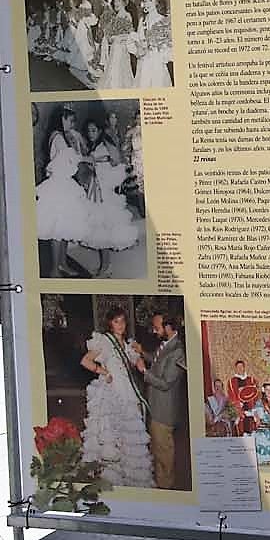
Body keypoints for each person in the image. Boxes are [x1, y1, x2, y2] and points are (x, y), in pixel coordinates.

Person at [78, 306, 154, 487]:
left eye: (122, 321)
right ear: (110, 324)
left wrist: (140, 359)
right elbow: (85, 361)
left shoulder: (128, 345)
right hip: (112, 394)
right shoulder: (104, 341)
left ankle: (130, 482)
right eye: (116, 321)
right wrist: (103, 371)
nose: (120, 325)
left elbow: (138, 362)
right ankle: (112, 480)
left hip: (128, 393)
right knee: (112, 438)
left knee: (130, 439)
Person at [35, 108, 98, 278]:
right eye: (70, 120)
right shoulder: (57, 136)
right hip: (59, 185)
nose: (72, 124)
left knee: (65, 227)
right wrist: (86, 158)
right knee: (58, 229)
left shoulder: (62, 136)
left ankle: (62, 263)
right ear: (62, 119)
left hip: (65, 184)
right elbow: (68, 158)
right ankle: (55, 269)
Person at [82, 119, 139, 273]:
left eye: (93, 130)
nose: (90, 134)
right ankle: (105, 265)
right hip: (98, 191)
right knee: (100, 229)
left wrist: (97, 159)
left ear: (100, 131)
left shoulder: (105, 143)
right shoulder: (93, 146)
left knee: (104, 228)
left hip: (106, 193)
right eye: (88, 131)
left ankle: (106, 266)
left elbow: (117, 160)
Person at [142, 315, 188, 489]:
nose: (154, 331)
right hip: (156, 408)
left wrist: (144, 372)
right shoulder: (167, 345)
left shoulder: (177, 350)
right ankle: (161, 486)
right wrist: (142, 352)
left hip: (164, 412)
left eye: (157, 327)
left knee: (164, 456)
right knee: (158, 452)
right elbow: (156, 360)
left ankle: (166, 491)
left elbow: (165, 382)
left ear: (168, 327)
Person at [132, 0, 173, 88]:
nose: (147, 3)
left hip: (156, 59)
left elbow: (169, 42)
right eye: (145, 1)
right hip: (144, 60)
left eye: (150, 0)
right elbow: (138, 38)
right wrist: (139, 48)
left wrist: (158, 47)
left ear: (156, 1)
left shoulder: (163, 20)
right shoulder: (143, 20)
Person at [97, 0, 135, 90]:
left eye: (118, 1)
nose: (116, 3)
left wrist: (118, 37)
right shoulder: (116, 16)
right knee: (112, 68)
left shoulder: (127, 15)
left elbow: (131, 34)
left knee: (119, 69)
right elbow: (110, 32)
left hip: (122, 48)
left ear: (123, 2)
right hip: (114, 47)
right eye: (115, 1)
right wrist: (110, 35)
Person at [229, 360, 259, 435]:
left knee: (251, 431)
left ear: (244, 368)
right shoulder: (231, 382)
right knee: (240, 430)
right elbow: (231, 395)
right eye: (238, 367)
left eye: (241, 367)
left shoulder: (251, 380)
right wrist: (238, 405)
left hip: (250, 409)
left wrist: (254, 409)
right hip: (239, 409)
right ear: (235, 369)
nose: (239, 368)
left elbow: (255, 395)